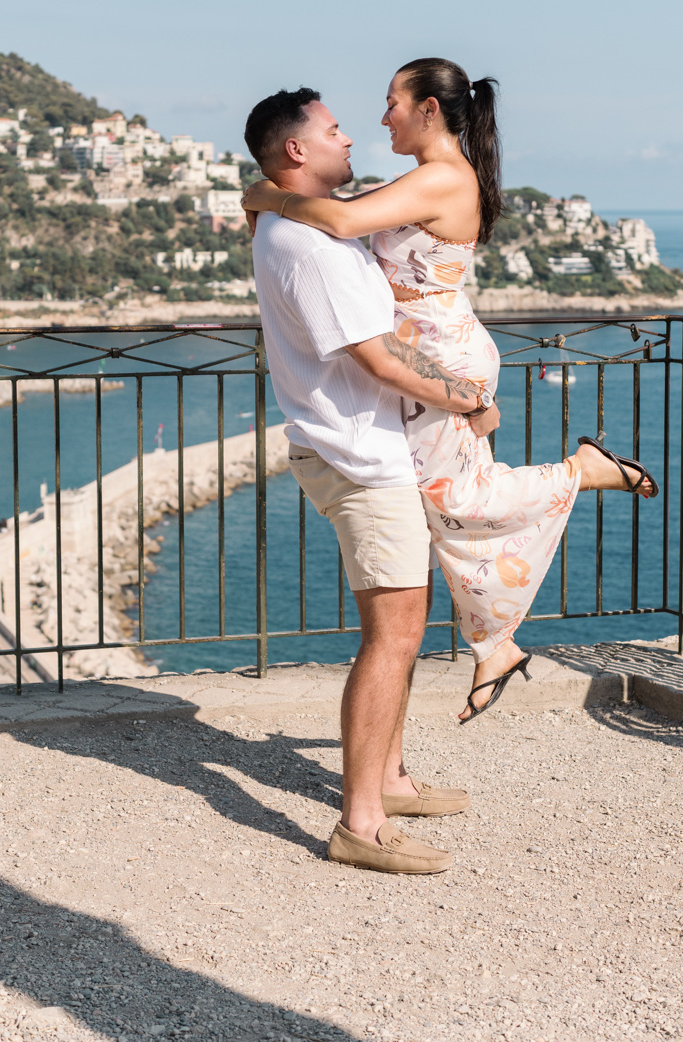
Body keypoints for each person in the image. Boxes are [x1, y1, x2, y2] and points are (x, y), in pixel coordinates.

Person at [242, 59, 658, 723]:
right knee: (438, 513)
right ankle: (495, 645)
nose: (381, 120)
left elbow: (343, 224)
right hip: (434, 355)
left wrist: (265, 197)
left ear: (429, 109)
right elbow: (342, 217)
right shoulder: (424, 177)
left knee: (452, 500)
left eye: (391, 104)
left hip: (437, 358)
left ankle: (583, 471)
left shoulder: (440, 177)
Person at [245, 86, 501, 875]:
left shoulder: (295, 221)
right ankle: (360, 822)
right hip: (362, 458)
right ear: (297, 150)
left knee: (404, 628)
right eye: (331, 129)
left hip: (360, 447)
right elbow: (381, 356)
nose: (349, 135)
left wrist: (261, 196)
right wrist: (472, 402)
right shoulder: (310, 245)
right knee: (391, 636)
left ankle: (387, 780)